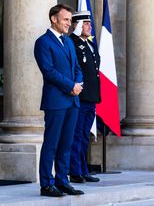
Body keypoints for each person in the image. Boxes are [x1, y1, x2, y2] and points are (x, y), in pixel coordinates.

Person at [34, 4, 84, 197]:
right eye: (65, 19)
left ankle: (62, 181)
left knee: (66, 144)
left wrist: (78, 84)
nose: (69, 24)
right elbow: (48, 71)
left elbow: (77, 67)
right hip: (56, 101)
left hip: (72, 101)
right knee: (51, 144)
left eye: (70, 20)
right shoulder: (43, 42)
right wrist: (70, 86)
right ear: (54, 19)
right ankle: (46, 184)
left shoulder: (69, 42)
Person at [68, 11, 101, 183]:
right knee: (77, 135)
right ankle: (75, 171)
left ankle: (83, 169)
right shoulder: (72, 43)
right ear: (77, 25)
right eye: (86, 23)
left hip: (91, 97)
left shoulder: (90, 44)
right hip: (80, 97)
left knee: (84, 135)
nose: (89, 26)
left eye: (89, 23)